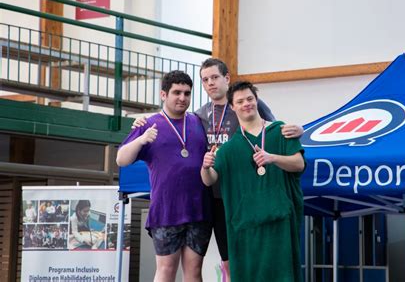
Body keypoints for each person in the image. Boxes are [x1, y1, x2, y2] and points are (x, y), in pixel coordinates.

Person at [132, 58, 303, 281]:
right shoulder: (197, 116)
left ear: (227, 78)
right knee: (190, 266)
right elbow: (170, 122)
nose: (211, 83)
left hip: (234, 196)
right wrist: (141, 121)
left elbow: (274, 129)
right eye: (205, 80)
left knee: (231, 261)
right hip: (202, 196)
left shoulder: (247, 102)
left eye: (215, 77)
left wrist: (300, 129)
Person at [201, 81, 305, 282]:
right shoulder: (229, 148)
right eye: (240, 101)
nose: (246, 104)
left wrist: (272, 158)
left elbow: (299, 164)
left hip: (279, 222)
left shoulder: (281, 131)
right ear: (232, 107)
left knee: (282, 275)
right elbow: (209, 180)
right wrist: (205, 167)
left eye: (249, 99)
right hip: (247, 228)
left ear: (256, 100)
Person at [117, 70, 212, 282]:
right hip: (166, 210)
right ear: (163, 95)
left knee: (194, 271)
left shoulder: (198, 122)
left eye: (187, 93)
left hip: (199, 209)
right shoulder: (148, 124)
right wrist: (141, 140)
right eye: (176, 92)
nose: (182, 98)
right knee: (166, 270)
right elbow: (121, 159)